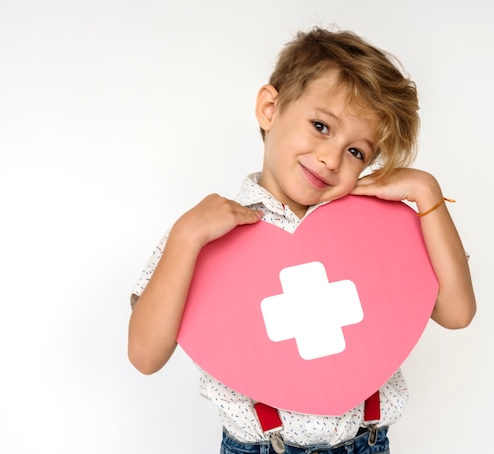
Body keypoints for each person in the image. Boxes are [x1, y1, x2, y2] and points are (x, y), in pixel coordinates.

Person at [128, 27, 476, 454]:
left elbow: (457, 312)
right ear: (270, 109)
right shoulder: (205, 232)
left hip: (365, 442)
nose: (332, 158)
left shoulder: (378, 230)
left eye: (357, 152)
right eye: (320, 126)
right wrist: (184, 237)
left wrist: (427, 193)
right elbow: (146, 356)